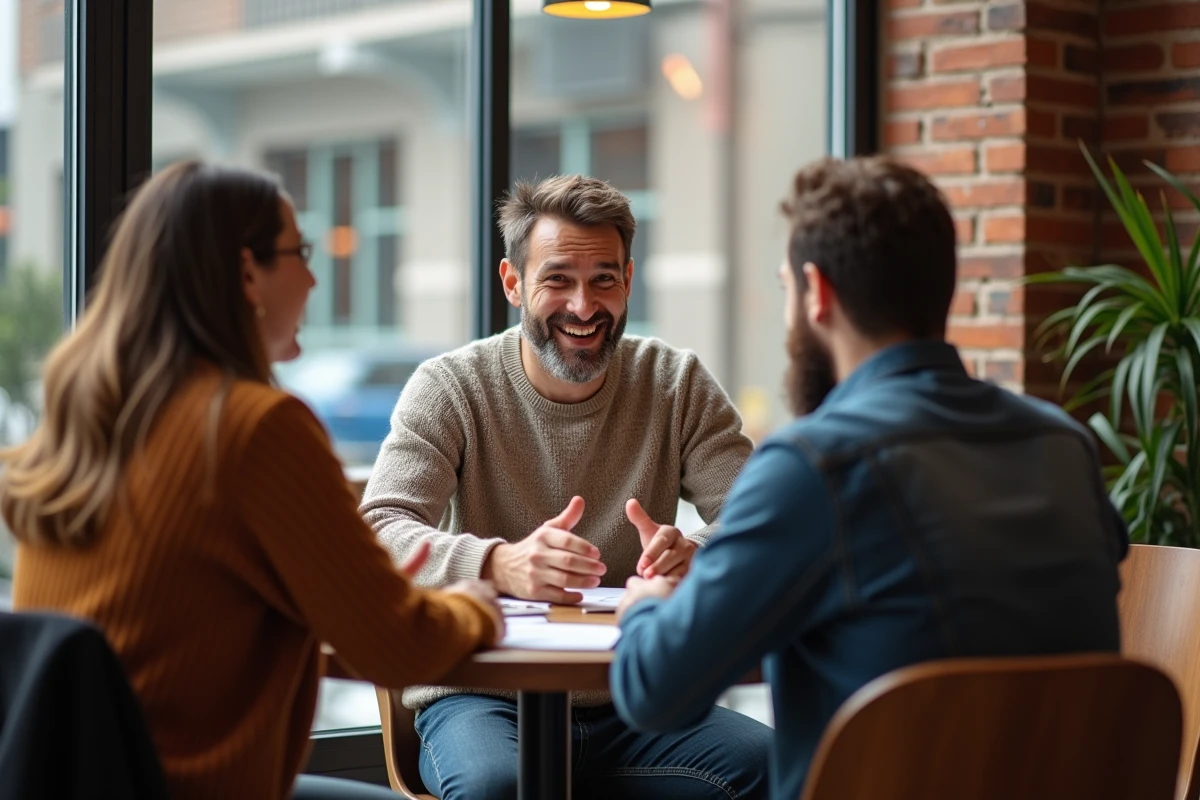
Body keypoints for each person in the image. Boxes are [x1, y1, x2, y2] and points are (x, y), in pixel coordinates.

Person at [608, 155, 1128, 800]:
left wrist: (649, 611)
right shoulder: (1063, 444)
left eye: (785, 291)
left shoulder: (814, 466)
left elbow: (656, 692)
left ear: (816, 293)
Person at [2, 161, 506, 800]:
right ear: (247, 274)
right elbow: (393, 648)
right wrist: (475, 608)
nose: (315, 276)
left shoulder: (81, 419)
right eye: (300, 252)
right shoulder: (255, 428)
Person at [361, 174, 772, 799]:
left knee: (775, 765)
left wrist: (701, 557)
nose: (584, 306)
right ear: (512, 283)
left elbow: (761, 524)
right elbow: (378, 531)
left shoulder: (676, 382)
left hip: (636, 692)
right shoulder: (449, 386)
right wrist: (498, 563)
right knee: (500, 789)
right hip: (482, 695)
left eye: (603, 279)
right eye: (557, 280)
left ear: (628, 281)